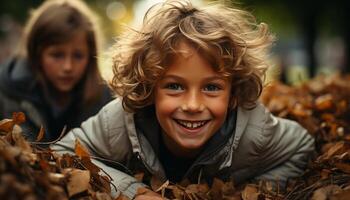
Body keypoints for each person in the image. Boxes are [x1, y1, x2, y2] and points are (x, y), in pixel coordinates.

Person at [52, 0, 315, 199]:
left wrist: (249, 192)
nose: (192, 105)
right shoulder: (119, 122)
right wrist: (135, 192)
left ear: (233, 94)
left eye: (211, 87)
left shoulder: (255, 132)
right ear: (150, 89)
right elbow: (60, 152)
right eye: (175, 86)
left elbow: (301, 147)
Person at [0, 0, 112, 142]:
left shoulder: (105, 101)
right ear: (37, 53)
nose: (68, 67)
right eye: (57, 55)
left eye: (78, 56)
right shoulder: (9, 91)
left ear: (90, 57)